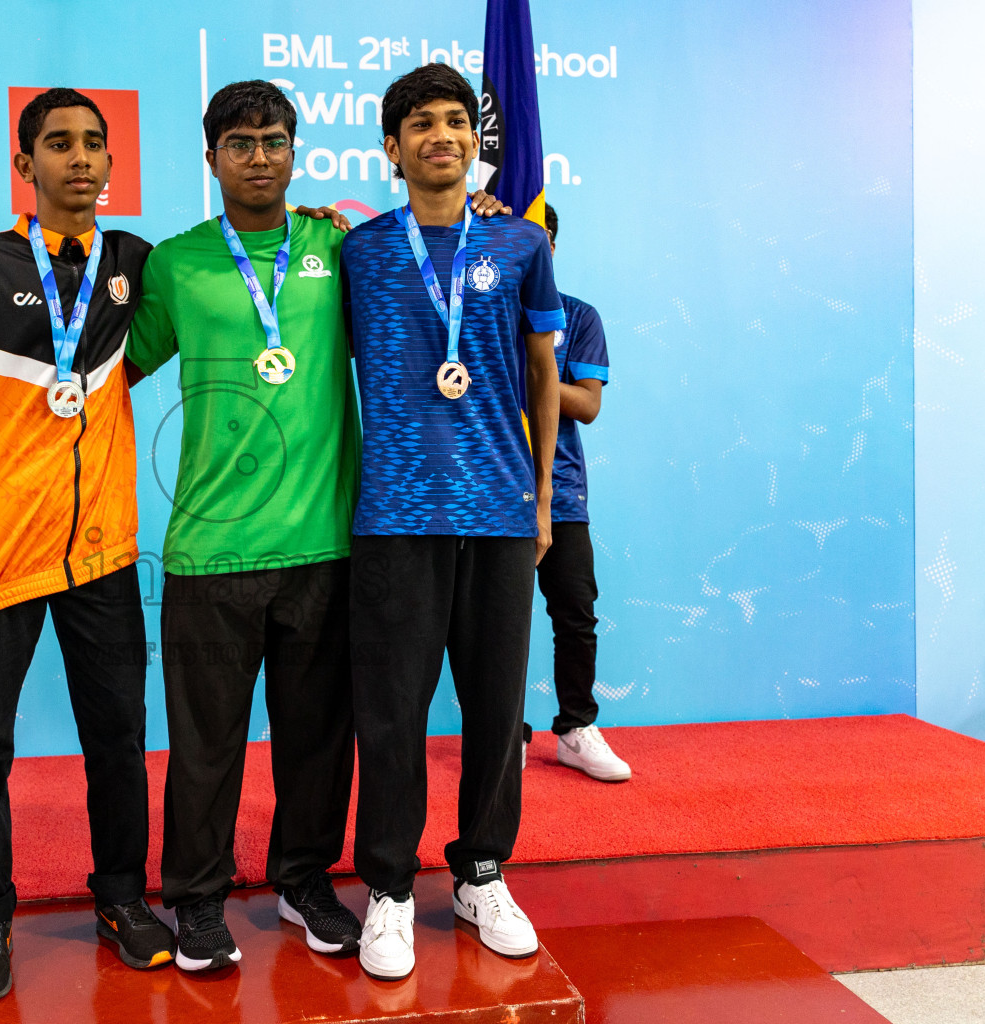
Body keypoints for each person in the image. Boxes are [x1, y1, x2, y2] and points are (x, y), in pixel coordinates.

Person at [0, 87, 174, 1004]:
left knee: (117, 739)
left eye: (95, 144)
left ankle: (124, 900)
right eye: (59, 145)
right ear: (24, 166)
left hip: (99, 552)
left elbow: (229, 269)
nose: (81, 160)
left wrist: (320, 221)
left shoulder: (135, 262)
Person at [125, 79, 365, 972]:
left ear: (295, 151)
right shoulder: (177, 264)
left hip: (324, 546)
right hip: (209, 550)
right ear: (213, 157)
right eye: (240, 142)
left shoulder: (341, 247)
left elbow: (426, 255)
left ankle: (305, 882)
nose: (258, 157)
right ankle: (196, 900)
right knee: (205, 747)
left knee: (316, 739)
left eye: (273, 141)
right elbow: (118, 370)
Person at [340, 63, 564, 981]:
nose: (442, 135)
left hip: (501, 513)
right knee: (390, 712)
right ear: (390, 149)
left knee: (496, 709)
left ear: (476, 141)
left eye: (456, 121)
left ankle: (480, 872)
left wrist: (543, 500)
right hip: (395, 516)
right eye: (420, 124)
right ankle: (389, 888)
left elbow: (545, 375)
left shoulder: (518, 248)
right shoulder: (355, 253)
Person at [528, 204, 631, 782]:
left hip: (561, 494)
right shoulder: (475, 314)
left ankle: (575, 727)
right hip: (491, 493)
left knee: (575, 614)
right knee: (494, 623)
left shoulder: (578, 316)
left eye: (540, 239)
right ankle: (504, 734)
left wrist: (533, 367)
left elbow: (587, 405)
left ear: (551, 249)